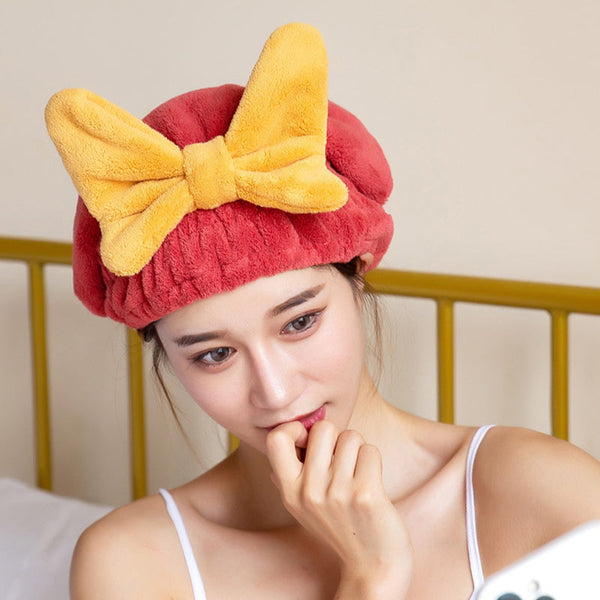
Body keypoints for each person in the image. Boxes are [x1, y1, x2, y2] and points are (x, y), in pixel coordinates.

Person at [45, 22, 600, 600]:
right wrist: (371, 576)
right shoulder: (131, 563)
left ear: (358, 272)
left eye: (300, 322)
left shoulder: (539, 492)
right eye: (214, 354)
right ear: (165, 354)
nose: (277, 392)